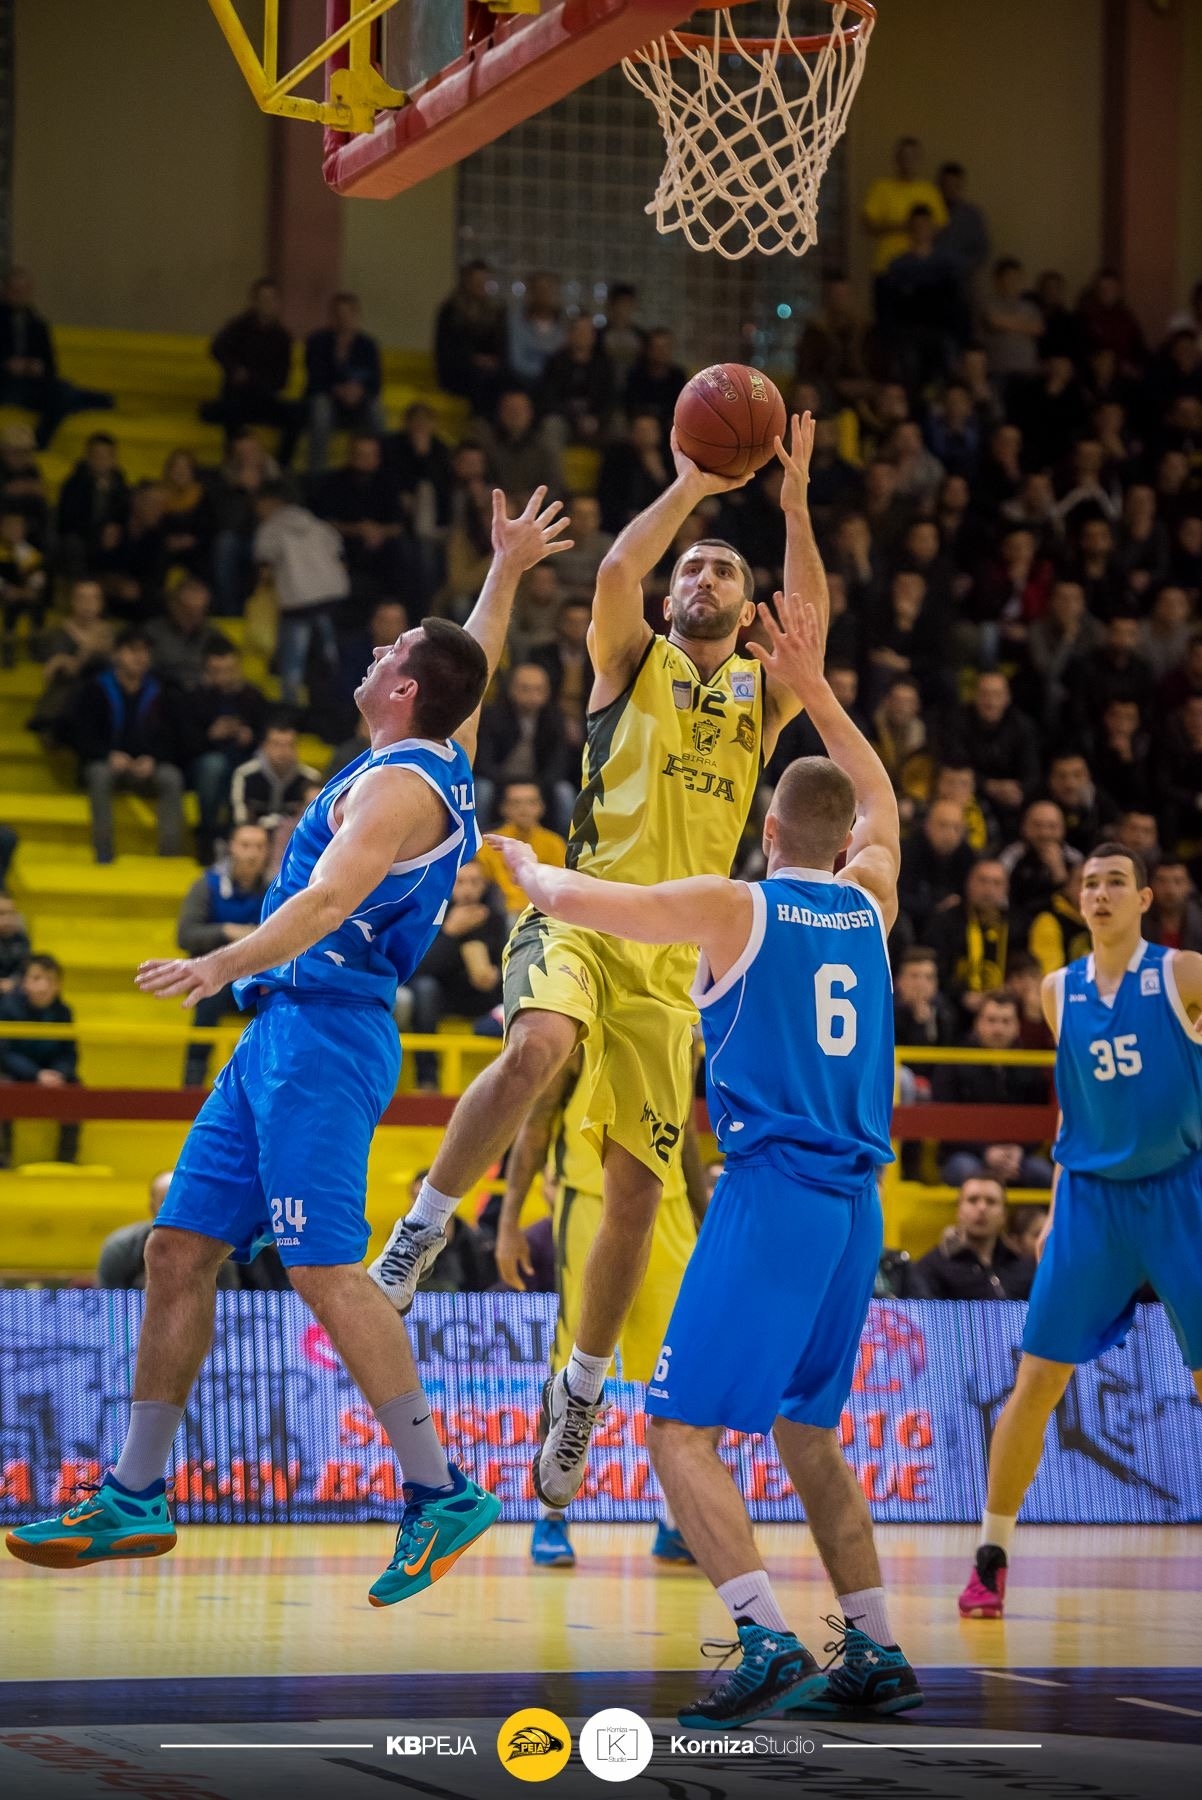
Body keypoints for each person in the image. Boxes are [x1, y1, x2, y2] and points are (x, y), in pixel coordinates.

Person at [4, 487, 570, 1603]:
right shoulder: (428, 739)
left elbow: (317, 907)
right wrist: (502, 572)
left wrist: (220, 962)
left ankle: (437, 1489)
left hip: (325, 1032)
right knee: (177, 1250)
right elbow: (472, 662)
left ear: (402, 689)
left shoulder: (401, 791)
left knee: (318, 1266)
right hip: (279, 1037)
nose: (375, 647)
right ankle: (134, 1492)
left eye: (392, 647)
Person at [368, 419, 823, 1524]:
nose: (701, 572)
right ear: (671, 598)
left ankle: (578, 1391)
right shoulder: (629, 660)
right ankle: (423, 1231)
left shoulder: (763, 700)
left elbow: (810, 623)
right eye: (692, 567)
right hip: (581, 910)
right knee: (538, 1047)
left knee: (633, 1192)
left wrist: (794, 501)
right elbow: (618, 565)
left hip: (674, 975)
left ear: (747, 602)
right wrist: (688, 486)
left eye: (724, 565)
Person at [488, 592, 921, 1724]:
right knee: (805, 1430)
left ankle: (764, 1634)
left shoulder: (738, 907)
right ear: (840, 845)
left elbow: (602, 899)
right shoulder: (870, 906)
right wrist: (816, 689)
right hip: (855, 1210)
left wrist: (531, 875)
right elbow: (879, 798)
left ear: (767, 831)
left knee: (676, 1430)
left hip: (773, 1192)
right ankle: (871, 1645)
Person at [958, 843, 1202, 1621]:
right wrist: (1059, 1204)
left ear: (1143, 900)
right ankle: (990, 1557)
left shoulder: (1180, 973)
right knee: (1035, 1386)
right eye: (1089, 883)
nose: (1098, 894)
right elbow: (1070, 1108)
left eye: (1114, 883)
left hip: (1176, 1194)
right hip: (1091, 1200)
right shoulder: (1057, 992)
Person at [497, 1047, 699, 1570]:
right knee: (576, 1363)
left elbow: (687, 1129)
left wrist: (705, 1217)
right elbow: (537, 1120)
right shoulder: (581, 1014)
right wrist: (509, 1220)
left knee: (684, 1370)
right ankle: (550, 1517)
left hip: (671, 1207)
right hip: (592, 1201)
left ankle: (679, 1520)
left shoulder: (684, 1008)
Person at [73, 628, 186, 864]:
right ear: (117, 654)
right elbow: (82, 736)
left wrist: (154, 758)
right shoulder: (96, 689)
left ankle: (169, 857)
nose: (139, 657)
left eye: (145, 652)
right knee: (98, 774)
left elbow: (174, 738)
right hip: (109, 763)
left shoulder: (162, 691)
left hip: (147, 766)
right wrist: (107, 755)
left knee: (171, 777)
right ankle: (103, 854)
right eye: (132, 651)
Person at [176, 823, 272, 1086]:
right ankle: (193, 1078)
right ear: (231, 848)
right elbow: (185, 935)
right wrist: (227, 931)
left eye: (259, 847)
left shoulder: (276, 890)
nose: (252, 853)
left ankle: (271, 1079)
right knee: (211, 993)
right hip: (213, 979)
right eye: (245, 845)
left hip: (257, 979)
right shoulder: (207, 885)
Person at [201, 278, 301, 467]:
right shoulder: (238, 327)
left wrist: (258, 381)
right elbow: (217, 348)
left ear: (278, 303)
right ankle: (232, 464)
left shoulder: (282, 337)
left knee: (295, 416)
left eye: (271, 299)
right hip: (238, 395)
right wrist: (234, 370)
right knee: (231, 412)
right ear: (254, 301)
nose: (267, 304)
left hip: (264, 397)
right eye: (262, 299)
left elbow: (282, 379)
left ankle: (281, 467)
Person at [97, 1171, 239, 1291]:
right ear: (152, 1207)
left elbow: (227, 1314)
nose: (176, 1212)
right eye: (167, 1203)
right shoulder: (119, 1249)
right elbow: (110, 1311)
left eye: (183, 1203)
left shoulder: (216, 1253)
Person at [0, 954, 80, 1166]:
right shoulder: (6, 1008)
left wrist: (59, 1073)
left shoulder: (64, 1012)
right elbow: (5, 1053)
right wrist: (35, 1074)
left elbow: (69, 1053)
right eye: (36, 978)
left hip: (52, 1073)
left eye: (50, 980)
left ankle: (67, 1158)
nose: (43, 986)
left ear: (58, 985)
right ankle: (3, 1157)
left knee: (76, 1089)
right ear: (24, 982)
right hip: (15, 1072)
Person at [909, 1175, 1036, 1301]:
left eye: (991, 1201)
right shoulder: (932, 1267)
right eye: (972, 1200)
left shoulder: (1025, 1267)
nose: (982, 1208)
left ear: (1004, 1214)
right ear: (958, 1211)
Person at [304, 292, 386, 473]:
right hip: (329, 402)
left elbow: (375, 384)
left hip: (359, 406)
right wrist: (337, 390)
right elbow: (314, 379)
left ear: (356, 315)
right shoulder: (317, 343)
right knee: (320, 409)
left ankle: (381, 470)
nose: (344, 320)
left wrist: (359, 391)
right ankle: (316, 474)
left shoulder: (368, 346)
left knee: (376, 410)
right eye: (339, 314)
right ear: (332, 316)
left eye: (348, 314)